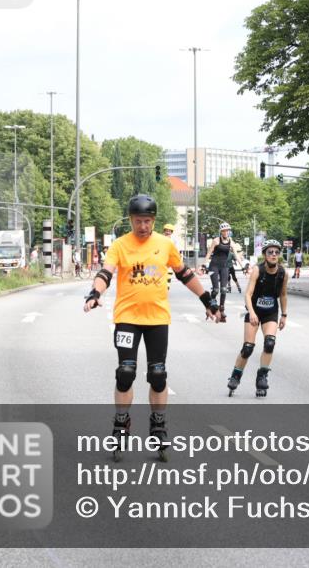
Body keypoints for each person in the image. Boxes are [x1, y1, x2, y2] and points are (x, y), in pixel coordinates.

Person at [83, 194, 222, 462]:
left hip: (158, 319)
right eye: (138, 221)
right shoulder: (120, 245)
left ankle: (158, 425)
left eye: (147, 221)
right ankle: (121, 422)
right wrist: (95, 293)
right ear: (131, 220)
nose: (143, 226)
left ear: (154, 220)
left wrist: (207, 300)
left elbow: (184, 274)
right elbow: (106, 272)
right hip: (127, 318)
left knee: (158, 374)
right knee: (126, 372)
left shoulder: (165, 244)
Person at [227, 239, 289, 398]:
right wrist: (252, 312)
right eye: (270, 252)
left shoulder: (283, 273)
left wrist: (284, 315)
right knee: (248, 347)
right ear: (264, 255)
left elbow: (282, 295)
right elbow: (248, 294)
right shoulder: (257, 270)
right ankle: (235, 375)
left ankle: (262, 376)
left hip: (271, 312)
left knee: (270, 343)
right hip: (254, 310)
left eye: (276, 252)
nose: (274, 255)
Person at [205, 222, 244, 321]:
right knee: (215, 290)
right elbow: (209, 253)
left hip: (224, 267)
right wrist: (204, 265)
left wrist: (243, 266)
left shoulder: (231, 241)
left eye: (227, 230)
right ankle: (211, 305)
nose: (226, 232)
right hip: (213, 266)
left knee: (223, 289)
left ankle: (221, 310)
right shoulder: (216, 241)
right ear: (221, 232)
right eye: (224, 231)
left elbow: (236, 255)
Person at [162, 223, 177, 289]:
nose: (168, 232)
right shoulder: (160, 238)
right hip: (161, 259)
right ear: (164, 231)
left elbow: (175, 250)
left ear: (171, 232)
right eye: (166, 230)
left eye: (169, 231)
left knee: (168, 274)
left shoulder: (173, 240)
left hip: (169, 260)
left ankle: (166, 289)